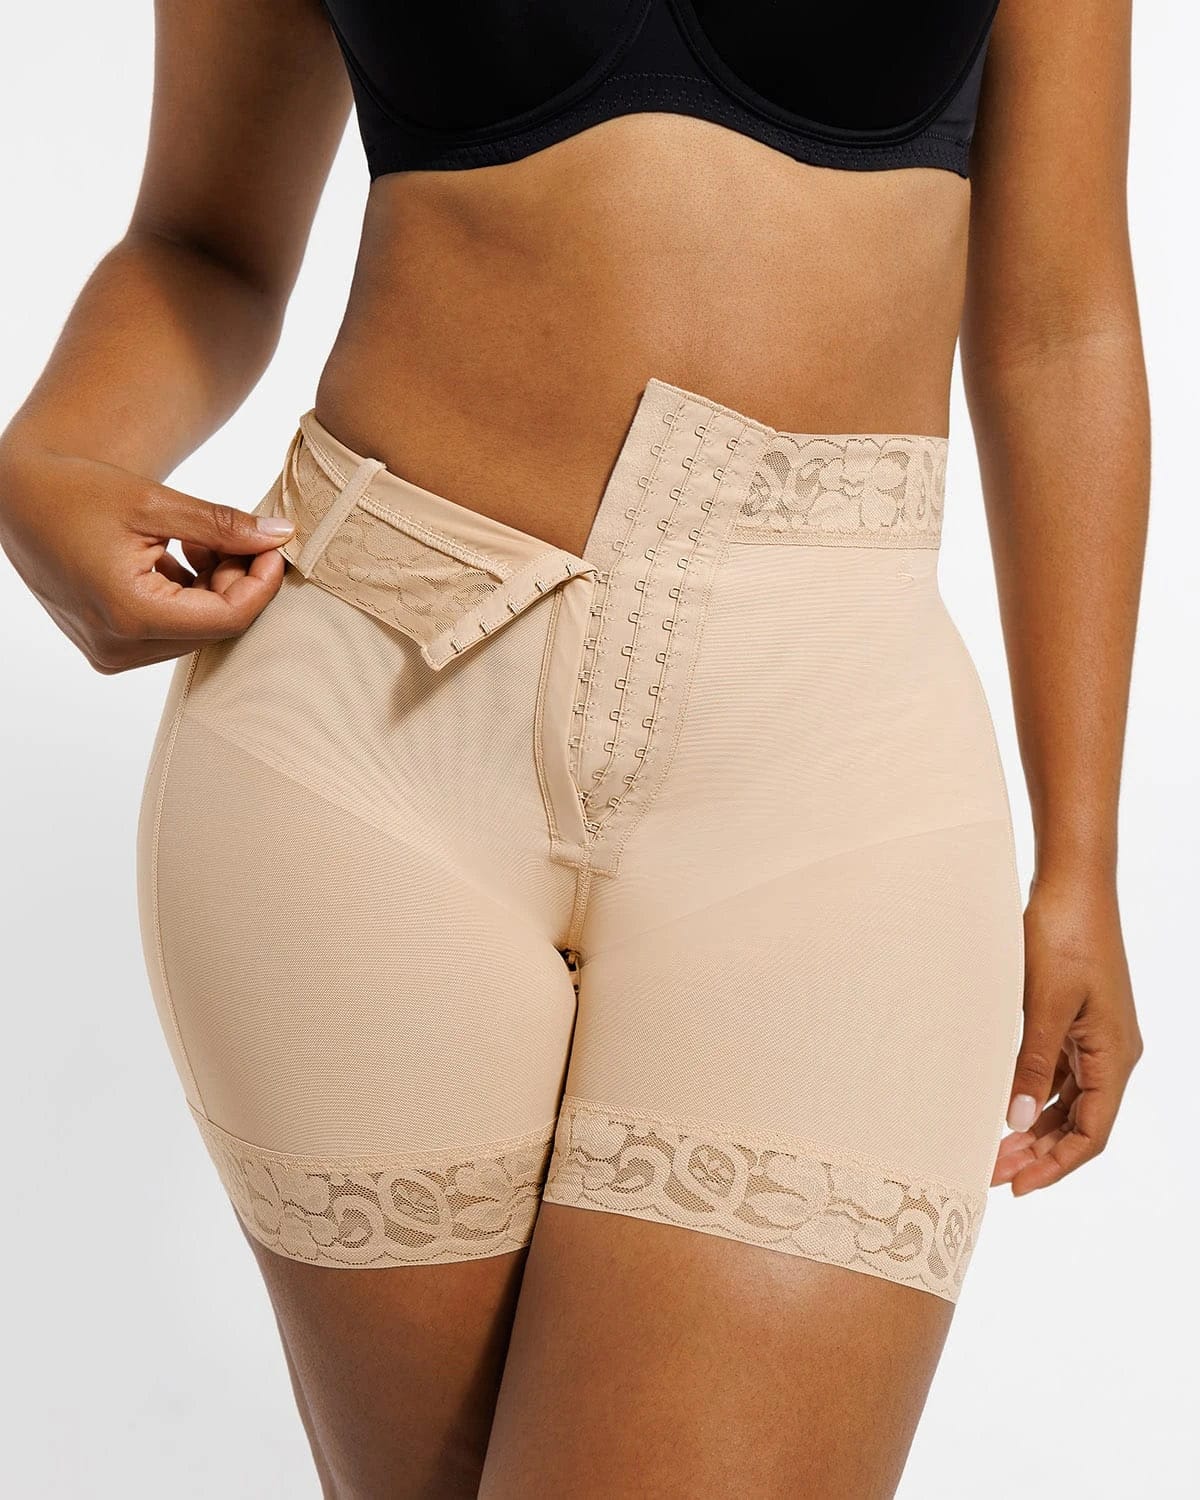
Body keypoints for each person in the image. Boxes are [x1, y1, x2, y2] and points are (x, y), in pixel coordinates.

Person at [0, 1, 1147, 1495]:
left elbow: (1064, 326)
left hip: (825, 752)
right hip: (365, 719)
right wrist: (47, 461)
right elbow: (202, 243)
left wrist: (1083, 856)